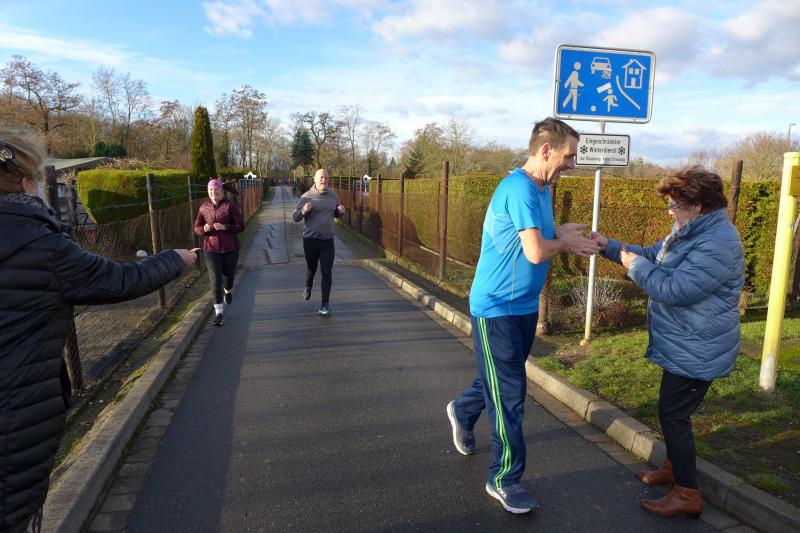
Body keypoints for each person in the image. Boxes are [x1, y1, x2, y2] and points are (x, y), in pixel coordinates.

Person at [0, 128, 197, 533]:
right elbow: (118, 281)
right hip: (15, 423)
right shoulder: (39, 243)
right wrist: (174, 260)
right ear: (24, 182)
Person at [446, 118, 601, 514]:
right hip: (496, 307)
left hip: (524, 306)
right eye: (569, 156)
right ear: (546, 150)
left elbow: (530, 237)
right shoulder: (518, 188)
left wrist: (560, 232)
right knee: (510, 396)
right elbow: (535, 251)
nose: (573, 165)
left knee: (501, 379)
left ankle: (463, 409)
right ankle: (504, 478)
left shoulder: (541, 189)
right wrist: (563, 243)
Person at [589, 166, 744, 519]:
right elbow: (650, 254)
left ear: (698, 205)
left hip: (700, 346)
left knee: (674, 416)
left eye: (674, 205)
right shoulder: (690, 230)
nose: (670, 212)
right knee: (671, 411)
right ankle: (674, 469)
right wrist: (609, 247)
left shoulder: (718, 242)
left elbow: (675, 290)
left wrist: (634, 267)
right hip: (686, 342)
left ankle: (687, 493)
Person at [292, 169, 345, 317]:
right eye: (321, 178)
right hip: (310, 240)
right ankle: (308, 285)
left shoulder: (333, 196)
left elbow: (335, 213)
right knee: (311, 268)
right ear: (315, 179)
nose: (324, 180)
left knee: (326, 272)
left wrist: (340, 212)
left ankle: (324, 304)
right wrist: (304, 211)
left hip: (327, 241)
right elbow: (295, 217)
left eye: (326, 178)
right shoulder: (306, 196)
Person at [194, 179, 245, 326]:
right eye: (210, 190)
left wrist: (225, 227)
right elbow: (196, 226)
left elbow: (241, 226)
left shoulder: (230, 206)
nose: (213, 192)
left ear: (222, 192)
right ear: (208, 192)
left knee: (228, 277)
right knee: (215, 279)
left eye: (216, 190)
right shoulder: (204, 207)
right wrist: (203, 230)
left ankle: (227, 291)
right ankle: (219, 313)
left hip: (230, 248)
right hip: (211, 249)